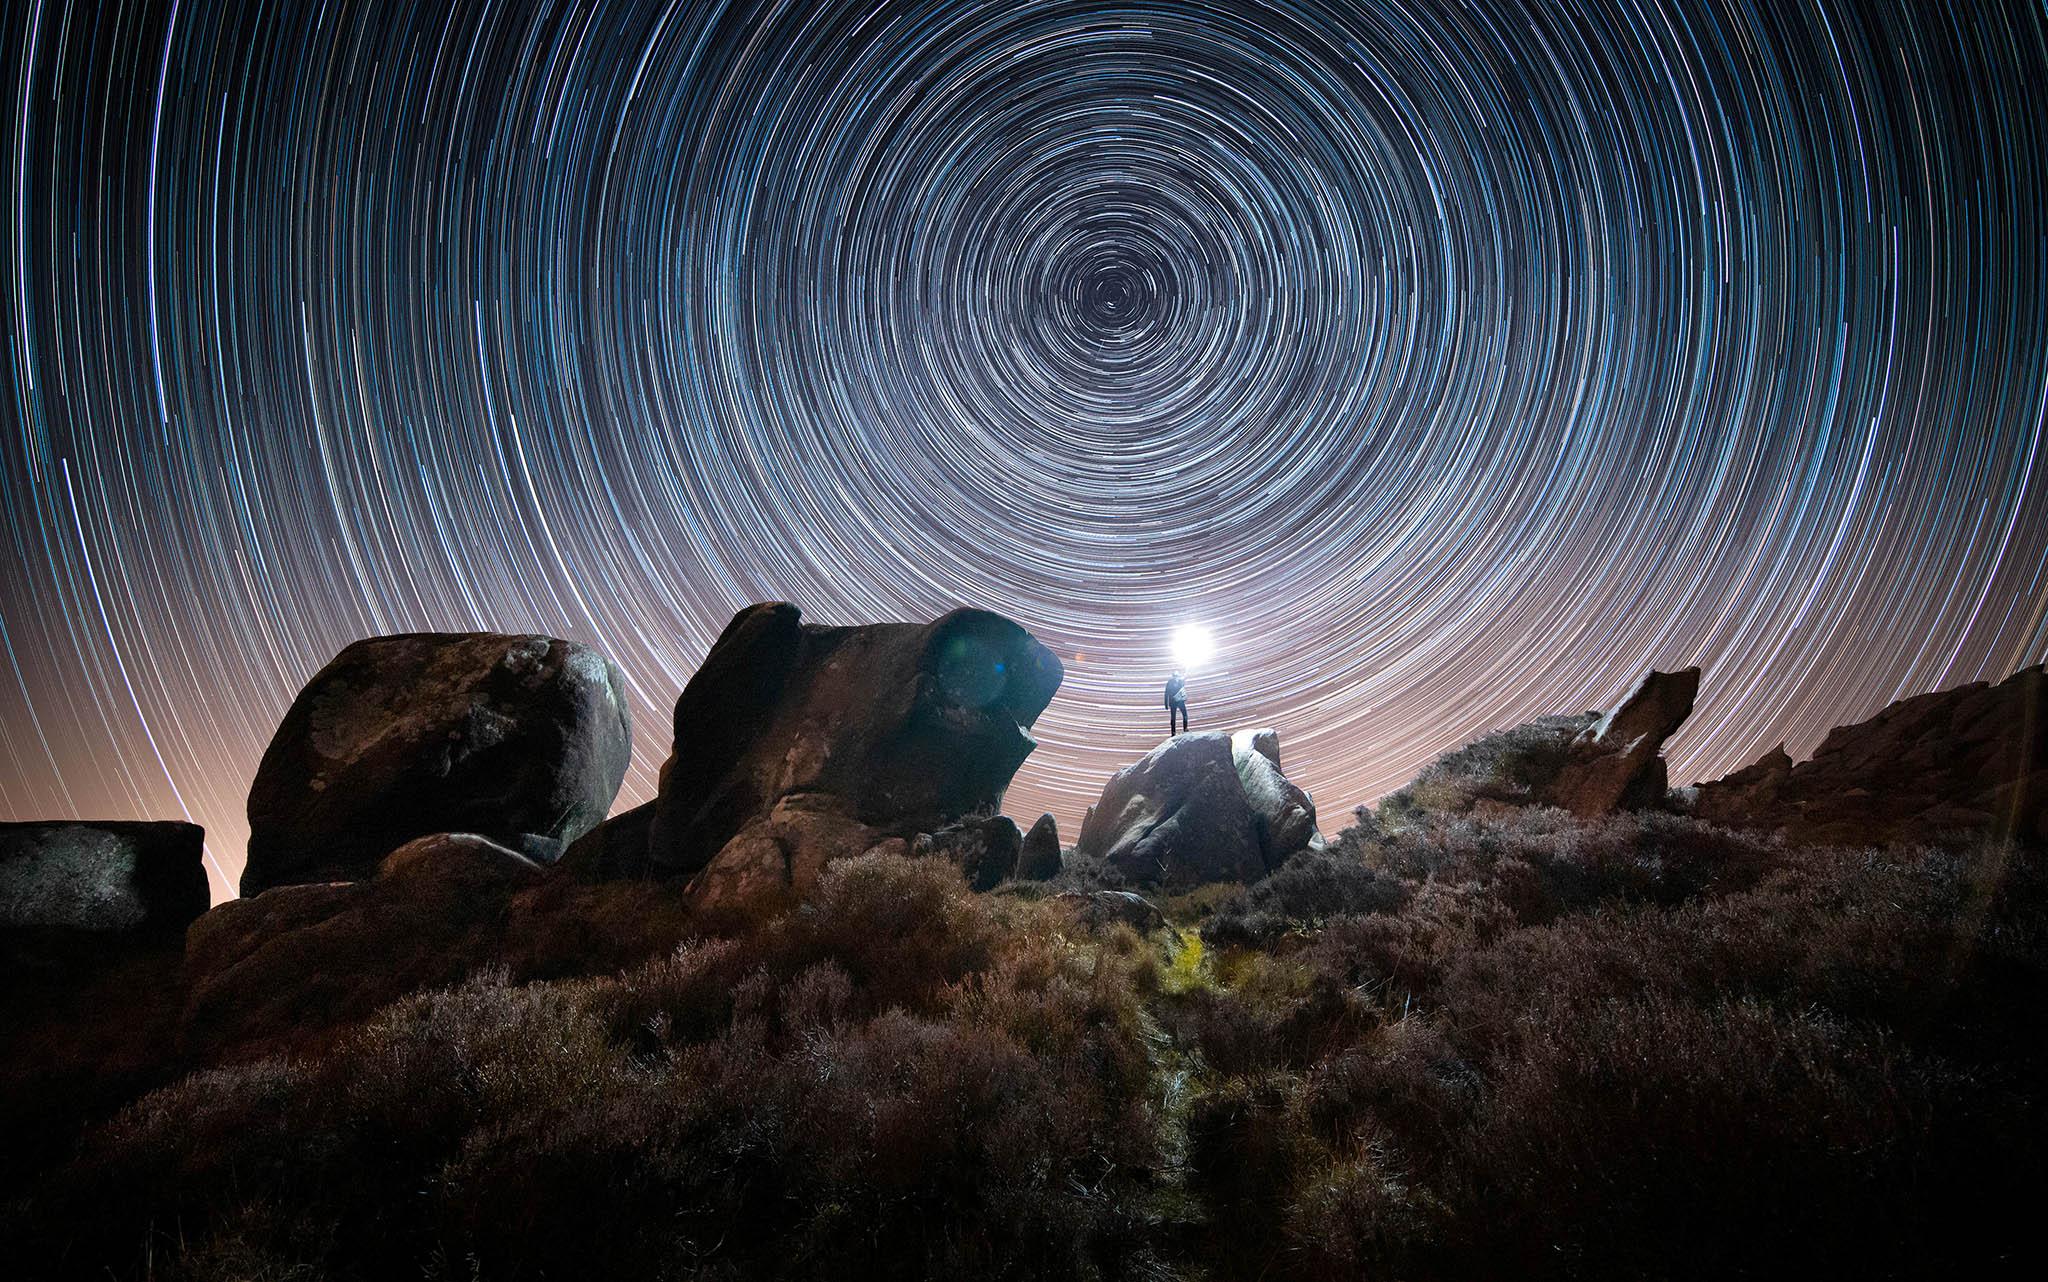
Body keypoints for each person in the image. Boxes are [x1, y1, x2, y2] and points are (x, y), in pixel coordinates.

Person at [1165, 668, 1189, 736]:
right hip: (1173, 702)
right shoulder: (1169, 682)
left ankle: (1185, 728)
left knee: (1185, 715)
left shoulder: (1180, 681)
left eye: (1177, 675)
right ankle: (1173, 732)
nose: (1176, 677)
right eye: (1175, 676)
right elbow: (1166, 693)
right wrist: (1166, 704)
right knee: (1173, 717)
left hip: (1180, 701)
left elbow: (1183, 686)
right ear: (1173, 676)